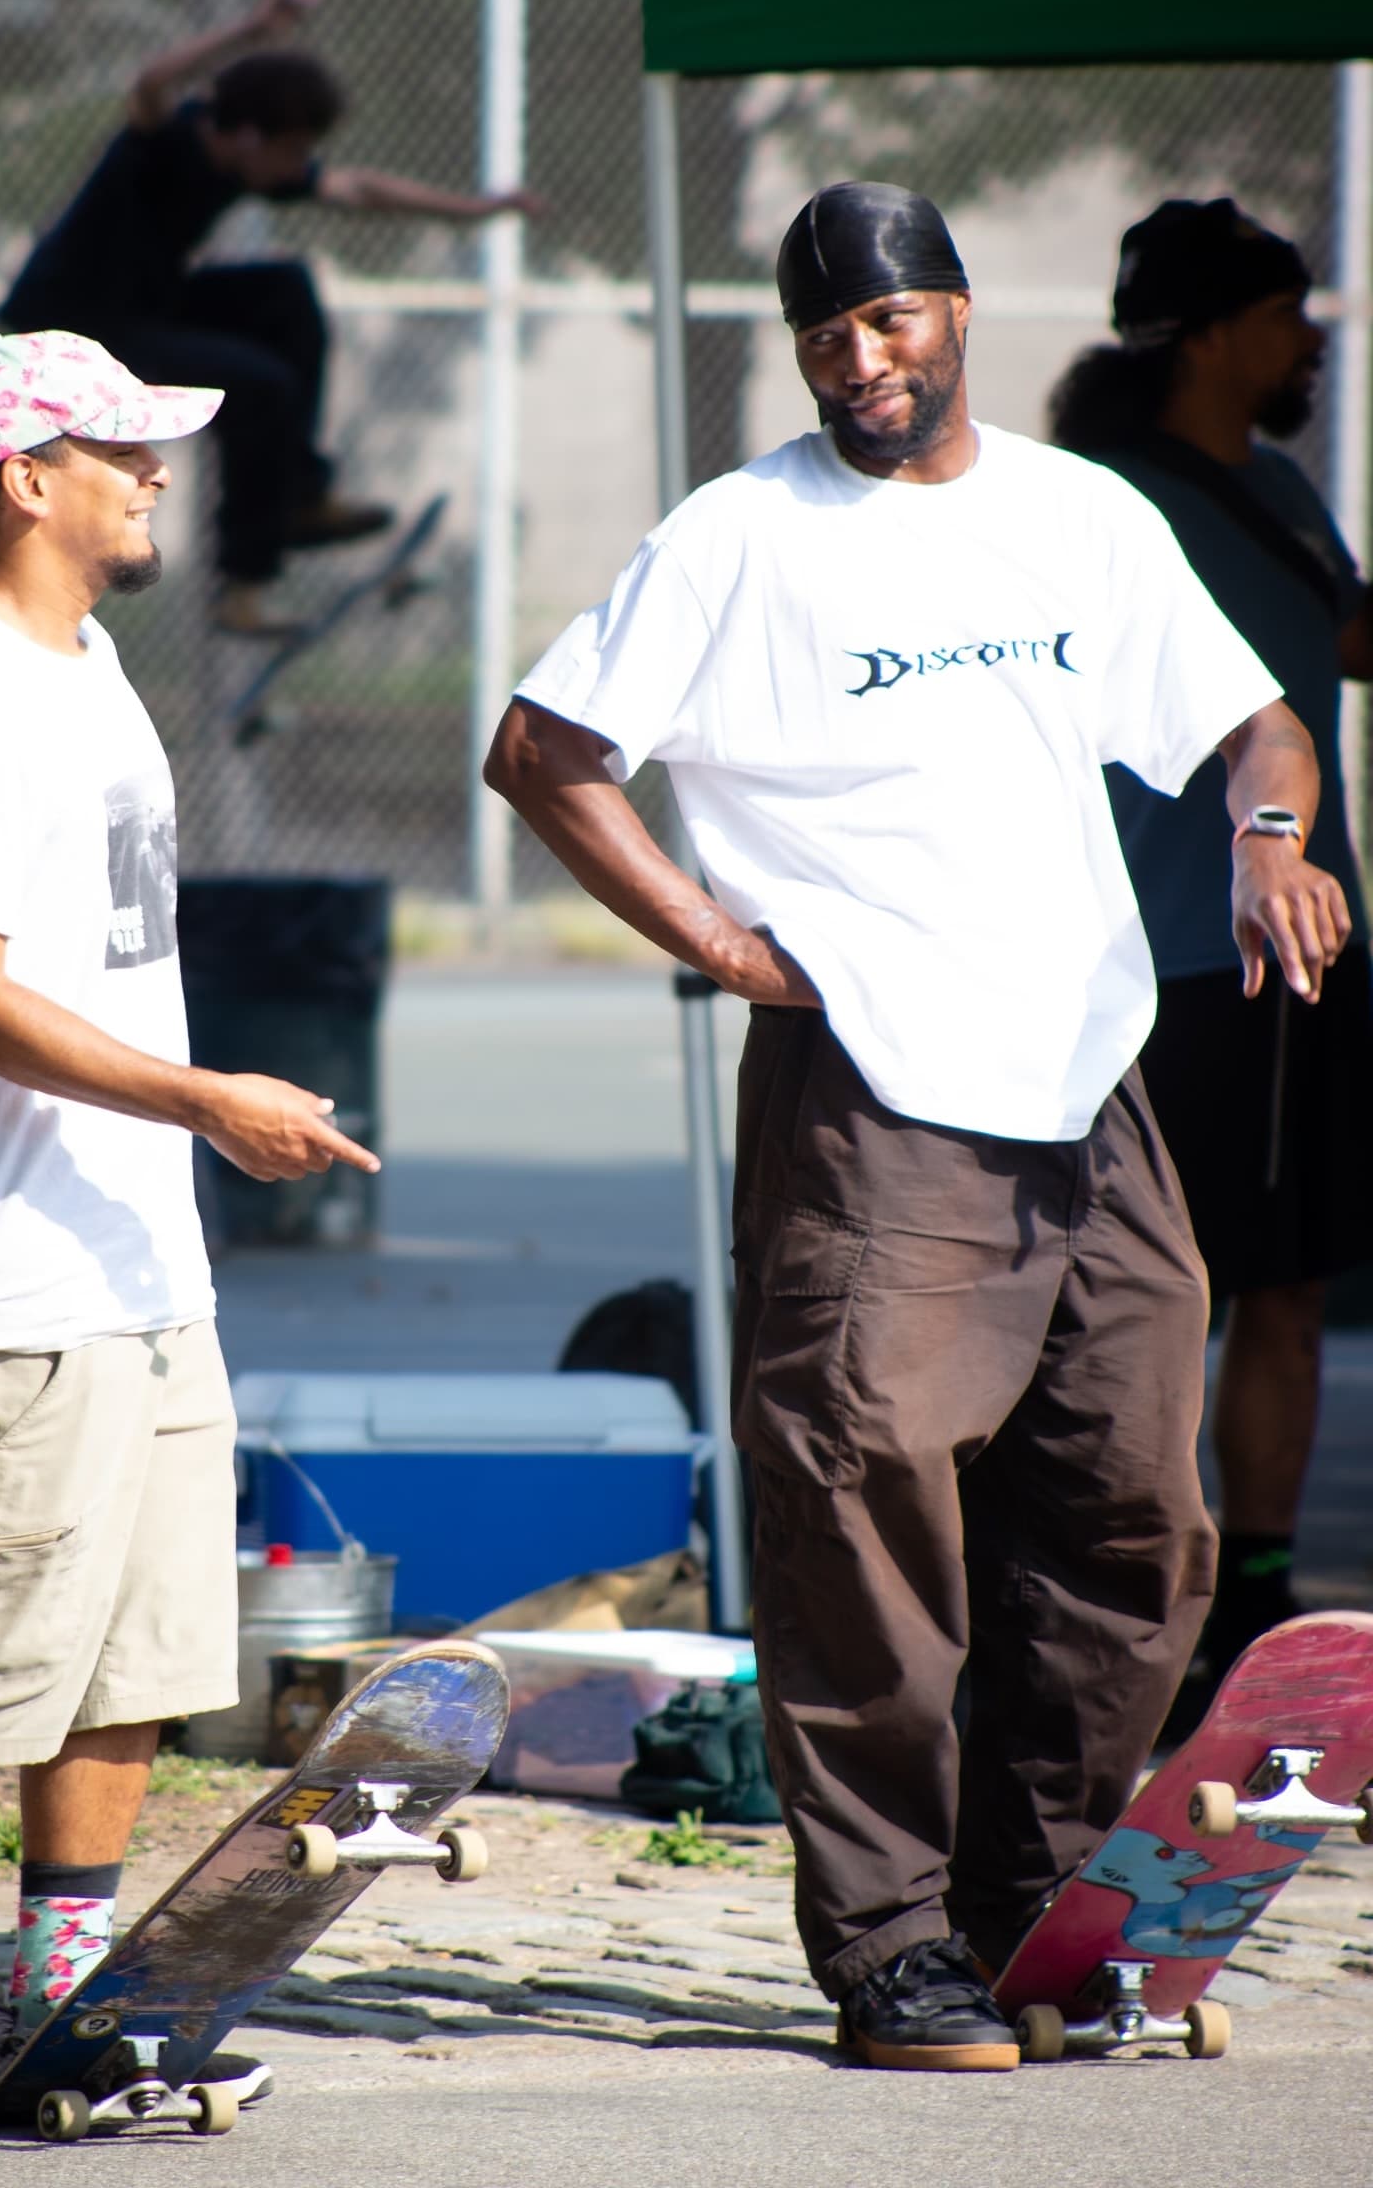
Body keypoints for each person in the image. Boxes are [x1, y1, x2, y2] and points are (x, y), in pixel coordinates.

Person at [484, 181, 1352, 2073]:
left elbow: (1255, 721)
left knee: (1128, 1521)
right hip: (873, 1091)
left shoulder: (1074, 513)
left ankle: (1024, 1915)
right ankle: (886, 1948)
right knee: (862, 1512)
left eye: (883, 324)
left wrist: (1263, 839)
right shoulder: (737, 539)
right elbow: (541, 749)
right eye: (819, 339)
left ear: (952, 310)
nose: (854, 364)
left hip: (1085, 1084)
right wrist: (716, 938)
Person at [0, 328, 380, 2116]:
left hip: (143, 1261)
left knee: (138, 1649)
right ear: (25, 480)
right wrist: (209, 1100)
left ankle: (68, 1986)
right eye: (124, 450)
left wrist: (185, 1136)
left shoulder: (86, 664)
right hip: (0, 1279)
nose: (159, 474)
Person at [1051, 197, 1373, 1692]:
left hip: (1308, 945)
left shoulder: (1284, 487)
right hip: (1169, 959)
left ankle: (1257, 1596)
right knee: (1151, 1294)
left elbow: (1342, 643)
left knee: (1292, 1285)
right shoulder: (1099, 506)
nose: (1309, 335)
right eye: (1283, 309)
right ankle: (1135, 1589)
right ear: (1206, 336)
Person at [0, 0, 540, 635]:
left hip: (148, 310)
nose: (303, 166)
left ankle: (300, 499)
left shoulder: (244, 164)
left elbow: (359, 190)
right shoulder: (164, 139)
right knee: (258, 384)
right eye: (295, 150)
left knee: (286, 290)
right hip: (72, 331)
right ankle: (243, 589)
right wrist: (254, 30)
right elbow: (150, 81)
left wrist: (477, 212)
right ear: (251, 136)